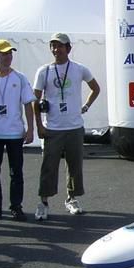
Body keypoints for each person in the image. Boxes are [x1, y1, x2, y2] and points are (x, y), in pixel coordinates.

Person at [33, 33, 100, 220]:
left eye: (60, 46)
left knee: (74, 166)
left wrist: (85, 106)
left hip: (74, 127)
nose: (56, 49)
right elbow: (34, 100)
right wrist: (39, 126)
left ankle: (71, 199)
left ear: (68, 48)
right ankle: (43, 202)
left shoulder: (79, 69)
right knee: (48, 167)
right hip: (52, 128)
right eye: (53, 46)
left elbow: (96, 88)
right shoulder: (44, 70)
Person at [0, 39, 35, 222]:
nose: (8, 57)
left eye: (10, 53)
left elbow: (28, 104)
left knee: (16, 172)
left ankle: (16, 206)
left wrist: (30, 130)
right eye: (4, 54)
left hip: (14, 133)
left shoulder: (19, 78)